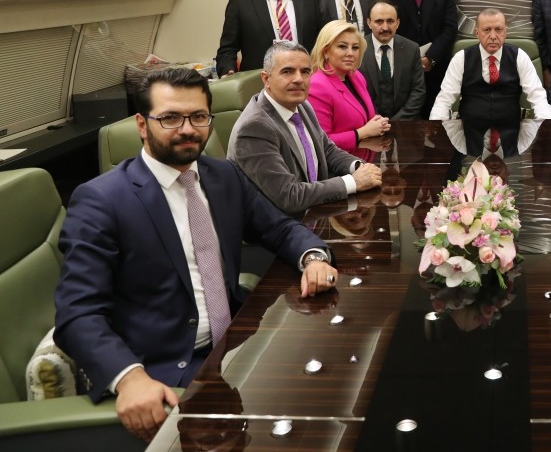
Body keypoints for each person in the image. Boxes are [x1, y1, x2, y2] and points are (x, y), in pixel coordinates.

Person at [54, 67, 339, 442]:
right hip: (165, 368)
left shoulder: (223, 176)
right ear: (142, 125)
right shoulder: (102, 200)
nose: (187, 129)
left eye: (199, 116)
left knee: (323, 394)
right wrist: (129, 377)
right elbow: (78, 313)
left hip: (237, 344)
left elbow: (278, 228)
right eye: (170, 118)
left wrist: (313, 257)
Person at [227, 41, 383, 216]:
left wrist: (359, 167)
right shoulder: (254, 128)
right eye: (287, 71)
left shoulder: (302, 105)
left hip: (312, 213)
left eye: (305, 71)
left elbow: (327, 150)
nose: (298, 79)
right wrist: (353, 182)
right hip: (276, 224)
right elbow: (289, 196)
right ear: (266, 79)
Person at [376, 0, 458, 117]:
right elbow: (384, 28)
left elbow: (450, 27)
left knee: (435, 121)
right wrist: (410, 59)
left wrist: (431, 58)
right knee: (404, 122)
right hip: (400, 69)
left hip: (436, 70)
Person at [430, 8, 551, 123]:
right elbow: (444, 100)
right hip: (469, 129)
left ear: (505, 32)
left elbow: (538, 97)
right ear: (477, 33)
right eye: (487, 30)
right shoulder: (461, 58)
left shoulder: (520, 57)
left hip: (510, 129)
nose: (493, 36)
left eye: (498, 29)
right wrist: (436, 128)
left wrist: (545, 127)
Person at [307, 20, 391, 151]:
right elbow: (321, 143)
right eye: (342, 46)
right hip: (338, 162)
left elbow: (361, 115)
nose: (350, 53)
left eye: (355, 47)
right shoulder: (316, 86)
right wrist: (363, 132)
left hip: (363, 156)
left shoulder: (356, 76)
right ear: (326, 51)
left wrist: (377, 123)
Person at [357, 0, 425, 121]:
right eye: (379, 21)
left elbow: (418, 91)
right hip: (369, 123)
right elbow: (353, 94)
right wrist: (378, 122)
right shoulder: (357, 50)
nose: (385, 27)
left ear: (397, 23)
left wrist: (397, 122)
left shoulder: (411, 49)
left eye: (390, 21)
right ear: (369, 23)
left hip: (406, 123)